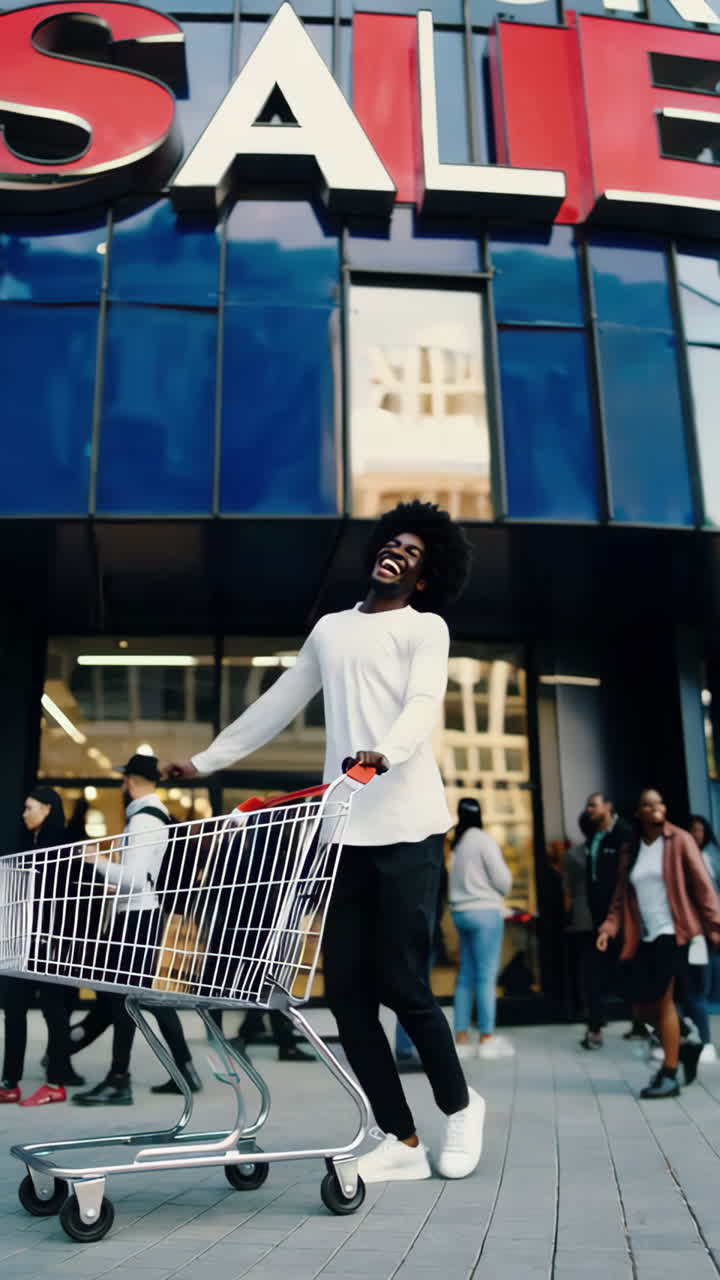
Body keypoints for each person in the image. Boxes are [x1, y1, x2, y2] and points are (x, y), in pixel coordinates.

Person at [164, 500, 485, 1182]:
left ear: (423, 577)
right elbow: (277, 703)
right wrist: (207, 761)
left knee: (402, 984)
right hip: (343, 834)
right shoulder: (332, 631)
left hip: (408, 828)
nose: (396, 552)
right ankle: (399, 1140)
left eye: (413, 551)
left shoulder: (426, 628)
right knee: (345, 994)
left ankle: (460, 1108)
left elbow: (423, 704)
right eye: (391, 542)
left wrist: (384, 754)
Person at [71, 755, 201, 1105]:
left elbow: (133, 879)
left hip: (137, 917)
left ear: (130, 781)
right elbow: (141, 879)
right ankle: (184, 1070)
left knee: (123, 1000)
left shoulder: (143, 820)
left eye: (124, 779)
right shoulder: (151, 816)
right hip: (143, 914)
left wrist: (96, 861)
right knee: (139, 997)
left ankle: (118, 1079)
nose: (122, 786)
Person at [597, 788, 720, 1099]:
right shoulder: (631, 849)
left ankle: (669, 1073)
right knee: (640, 1006)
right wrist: (609, 928)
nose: (655, 807)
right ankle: (688, 1037)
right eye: (647, 804)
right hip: (644, 936)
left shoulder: (679, 840)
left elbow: (703, 888)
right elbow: (620, 897)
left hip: (675, 932)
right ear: (638, 812)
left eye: (659, 802)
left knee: (663, 1000)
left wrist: (715, 927)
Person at [0, 788, 82, 1106]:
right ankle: (10, 1081)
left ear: (48, 809)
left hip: (51, 941)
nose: (24, 813)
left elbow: (64, 899)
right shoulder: (29, 843)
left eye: (29, 807)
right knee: (14, 1007)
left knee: (54, 1011)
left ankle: (56, 1082)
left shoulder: (62, 845)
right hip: (24, 940)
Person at [448, 797, 513, 1060]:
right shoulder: (483, 840)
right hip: (485, 912)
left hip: (460, 912)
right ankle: (486, 1038)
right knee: (486, 977)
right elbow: (503, 881)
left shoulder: (457, 843)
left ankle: (461, 1038)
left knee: (465, 977)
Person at [564, 793, 630, 1049]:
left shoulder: (624, 833)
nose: (589, 809)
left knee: (628, 970)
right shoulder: (595, 839)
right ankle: (595, 1028)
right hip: (597, 919)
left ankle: (645, 1025)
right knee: (592, 972)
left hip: (622, 917)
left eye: (593, 804)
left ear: (608, 806)